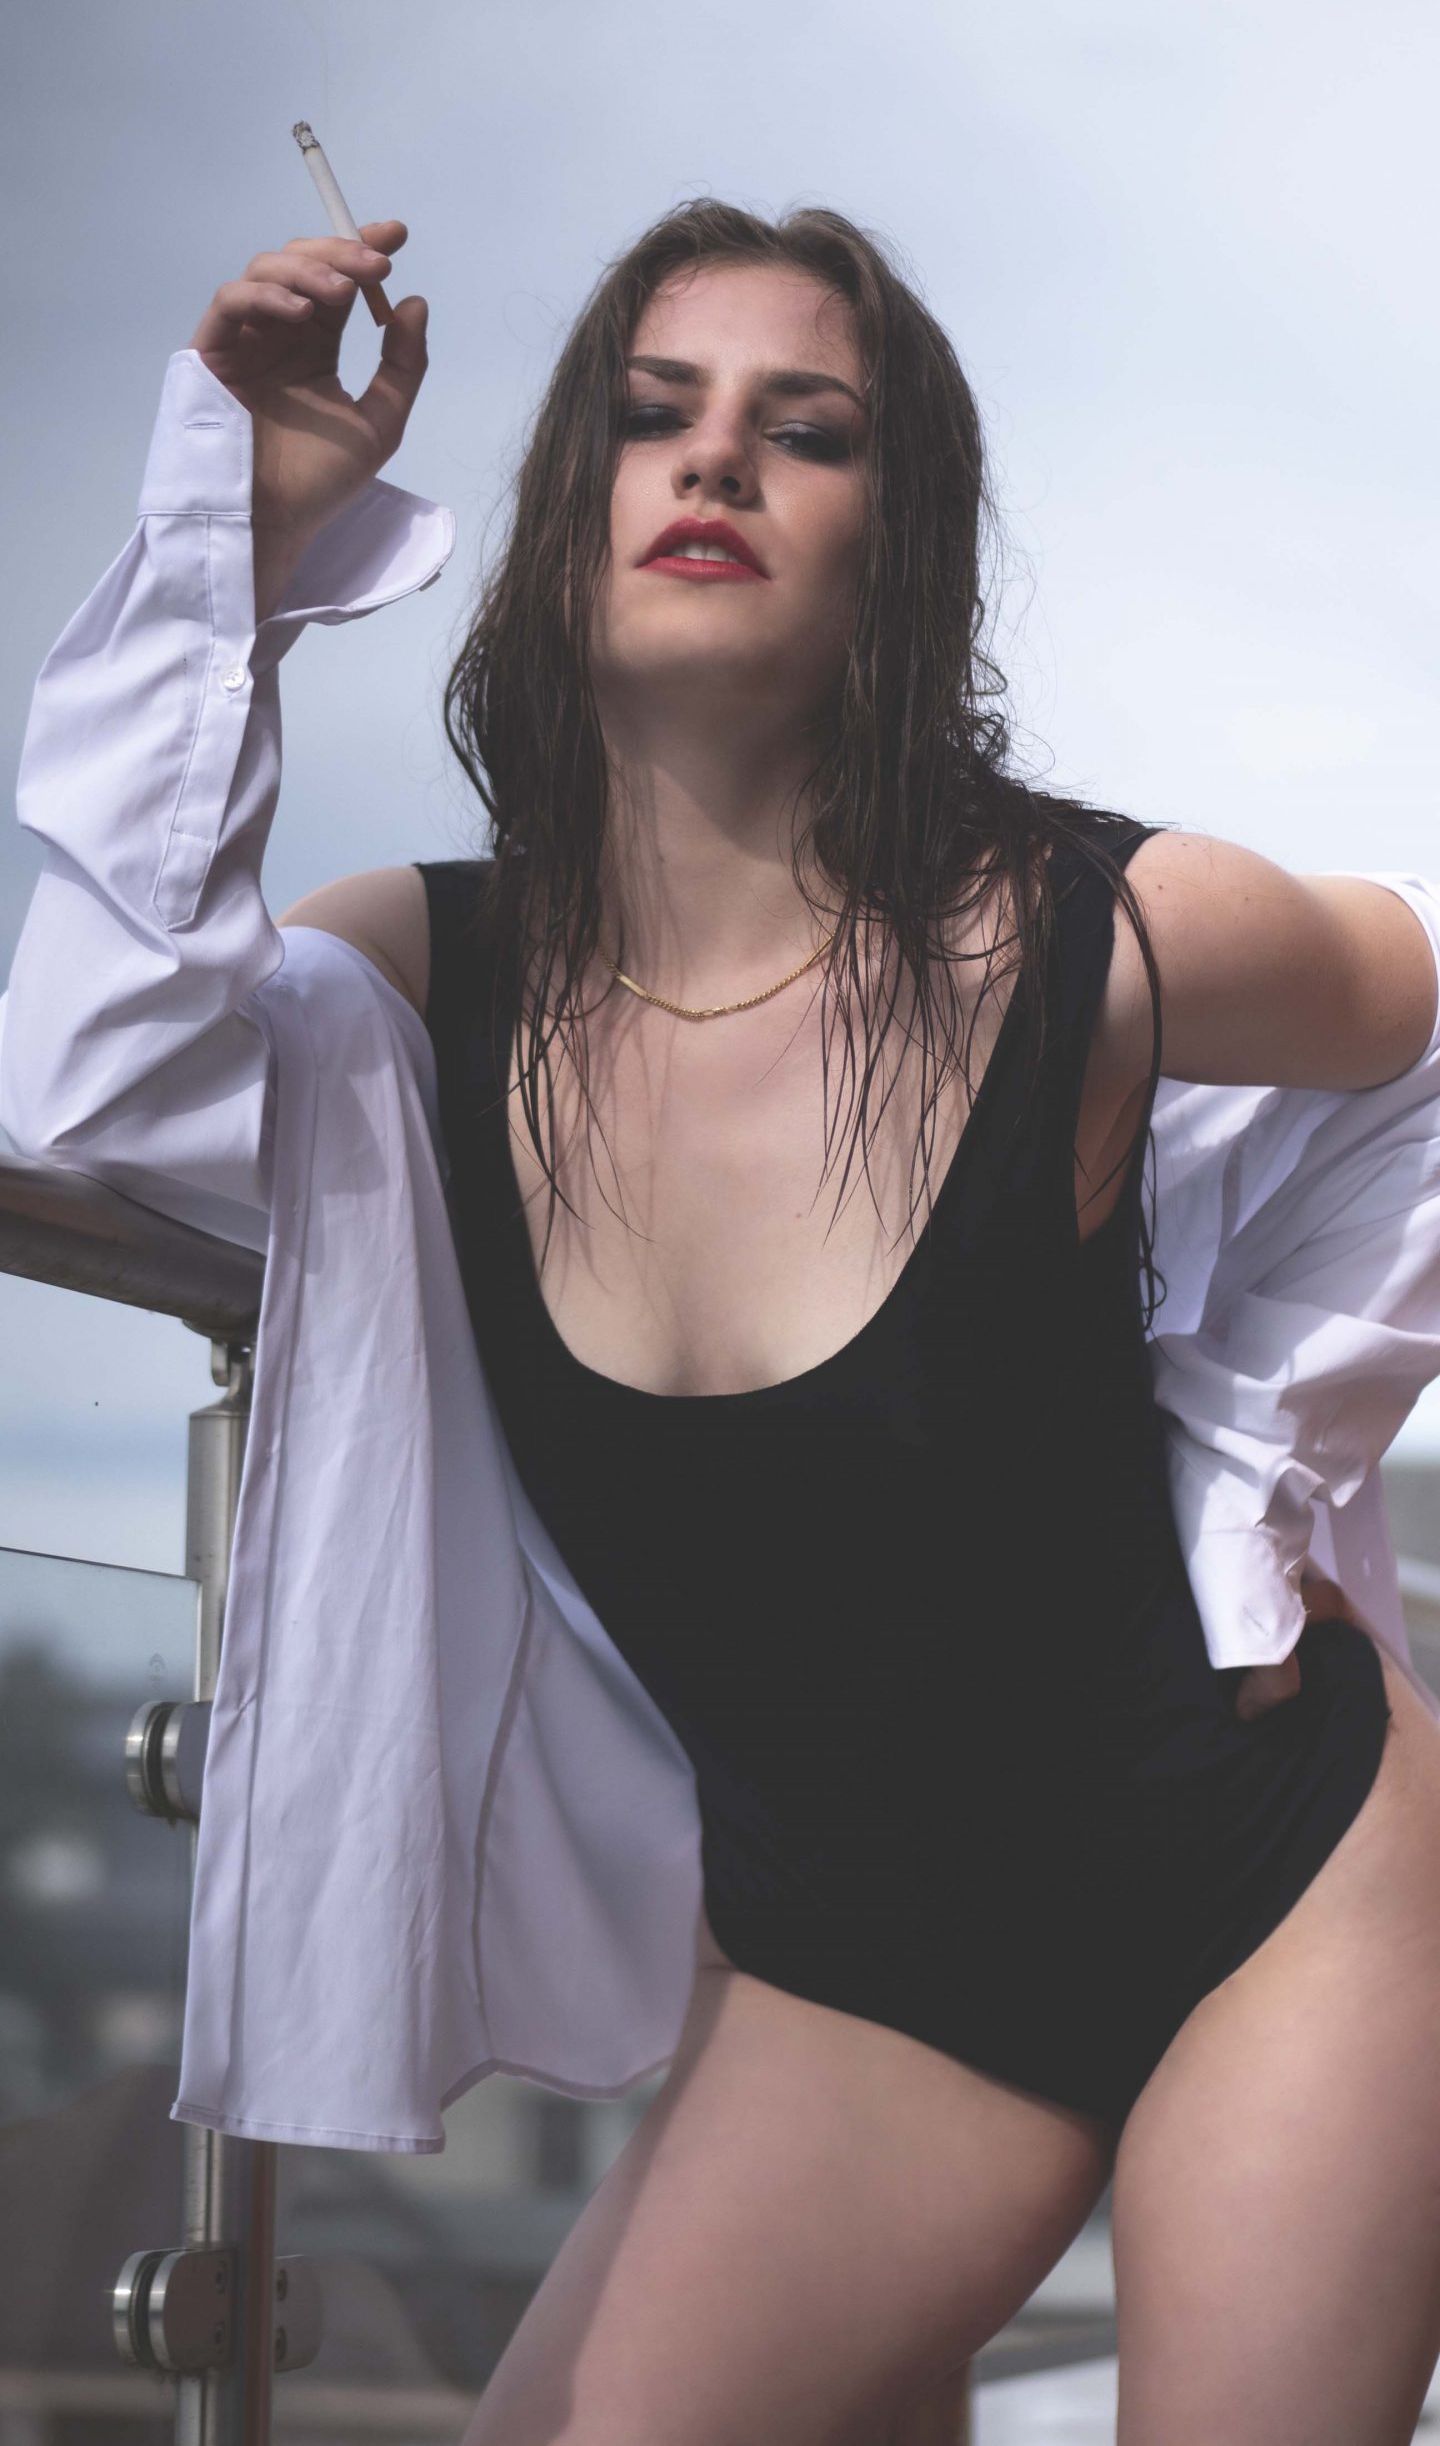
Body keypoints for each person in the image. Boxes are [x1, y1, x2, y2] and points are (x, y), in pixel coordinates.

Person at [39, 198, 1440, 2440]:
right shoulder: (421, 974)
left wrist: (1252, 1469)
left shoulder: (1078, 940)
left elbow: (1423, 1026)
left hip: (1277, 1883)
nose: (714, 461)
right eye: (651, 411)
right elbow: (96, 1069)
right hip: (863, 1982)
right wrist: (246, 538)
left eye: (808, 430)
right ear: (565, 512)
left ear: (897, 550)